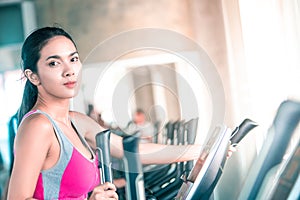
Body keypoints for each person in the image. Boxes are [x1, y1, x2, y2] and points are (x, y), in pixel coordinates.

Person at [7, 26, 235, 200]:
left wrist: (206, 151)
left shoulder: (76, 122)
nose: (69, 71)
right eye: (54, 64)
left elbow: (134, 151)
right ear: (33, 76)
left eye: (73, 59)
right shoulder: (38, 126)